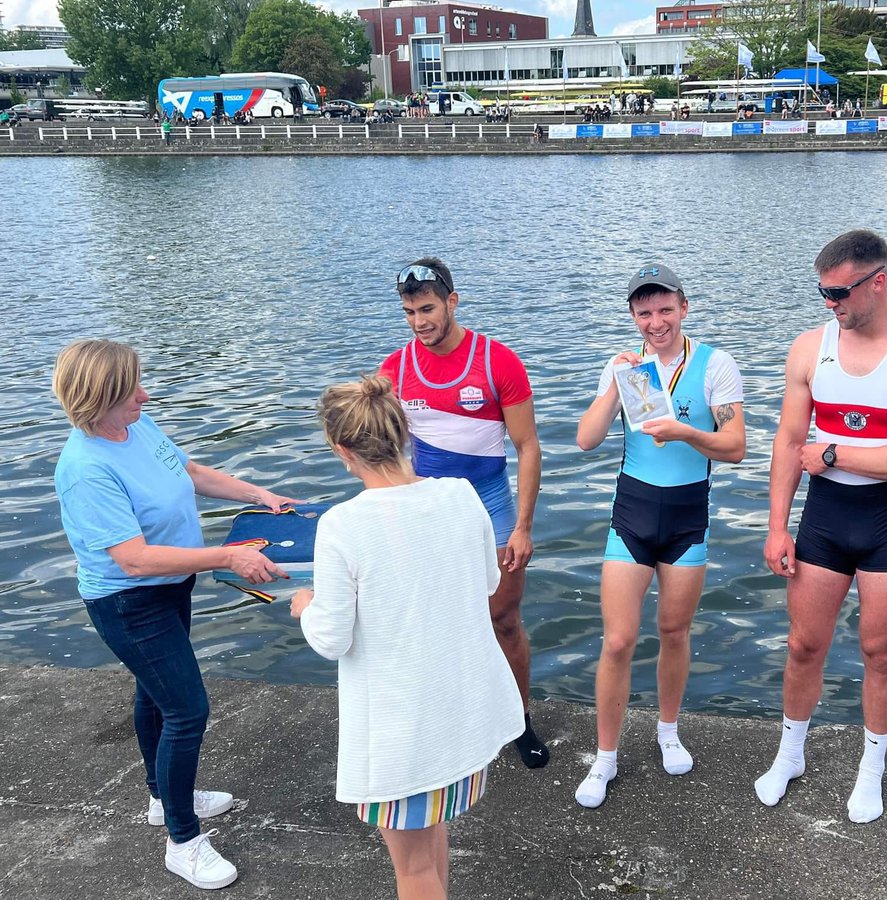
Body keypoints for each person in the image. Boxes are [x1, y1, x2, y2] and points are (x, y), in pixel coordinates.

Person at [51, 339, 294, 889]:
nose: (145, 393)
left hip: (170, 588)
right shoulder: (85, 469)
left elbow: (189, 470)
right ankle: (182, 842)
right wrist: (227, 556)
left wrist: (258, 493)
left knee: (154, 696)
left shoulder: (136, 427)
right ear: (100, 396)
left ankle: (165, 798)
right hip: (129, 602)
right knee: (187, 710)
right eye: (132, 388)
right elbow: (133, 559)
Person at [756, 230, 887, 824]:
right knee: (803, 645)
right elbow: (790, 442)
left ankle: (871, 768)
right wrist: (777, 526)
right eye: (821, 292)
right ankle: (790, 752)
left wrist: (835, 453)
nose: (829, 304)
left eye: (840, 292)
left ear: (879, 282)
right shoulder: (808, 348)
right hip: (824, 518)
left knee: (879, 651)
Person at [291, 376, 523, 900]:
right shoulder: (461, 494)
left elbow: (330, 638)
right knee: (432, 839)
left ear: (341, 449)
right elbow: (488, 582)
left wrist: (305, 606)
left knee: (413, 871)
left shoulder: (342, 524)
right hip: (462, 716)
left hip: (405, 732)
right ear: (401, 431)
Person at [574, 263, 746, 809]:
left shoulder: (716, 364)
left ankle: (668, 731)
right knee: (619, 640)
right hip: (633, 514)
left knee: (674, 631)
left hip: (687, 519)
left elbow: (736, 446)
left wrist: (687, 432)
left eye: (665, 309)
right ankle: (605, 758)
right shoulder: (624, 366)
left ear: (684, 308)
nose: (656, 322)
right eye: (644, 312)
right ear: (633, 316)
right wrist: (614, 387)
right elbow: (585, 440)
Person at [379, 258, 548, 768]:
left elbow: (528, 447)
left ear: (453, 301)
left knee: (503, 620)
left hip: (491, 507)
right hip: (429, 515)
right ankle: (453, 720)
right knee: (434, 623)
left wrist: (522, 527)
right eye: (409, 312)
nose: (419, 322)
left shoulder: (498, 362)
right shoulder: (395, 369)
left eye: (427, 308)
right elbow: (386, 455)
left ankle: (518, 721)